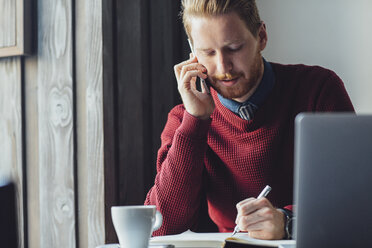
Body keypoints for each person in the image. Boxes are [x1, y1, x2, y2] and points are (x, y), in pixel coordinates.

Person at [145, 0, 354, 240]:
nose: (223, 67)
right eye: (208, 53)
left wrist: (288, 222)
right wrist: (195, 121)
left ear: (261, 37)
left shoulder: (319, 90)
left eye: (234, 48)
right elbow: (162, 227)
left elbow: (354, 200)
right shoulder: (185, 119)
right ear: (193, 55)